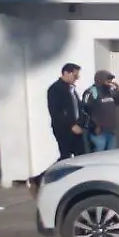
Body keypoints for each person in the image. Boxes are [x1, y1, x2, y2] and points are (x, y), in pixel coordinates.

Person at [29, 63, 87, 197]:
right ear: (66, 73)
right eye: (75, 74)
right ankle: (39, 179)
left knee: (82, 156)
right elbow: (56, 112)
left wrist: (81, 124)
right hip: (63, 129)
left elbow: (77, 109)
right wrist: (71, 125)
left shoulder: (71, 89)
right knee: (65, 157)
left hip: (77, 128)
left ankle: (77, 183)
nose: (77, 77)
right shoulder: (55, 89)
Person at [82, 69, 119, 152]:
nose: (110, 81)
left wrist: (118, 90)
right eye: (108, 79)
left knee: (111, 155)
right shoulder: (92, 91)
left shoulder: (110, 91)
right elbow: (86, 110)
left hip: (111, 131)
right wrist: (95, 126)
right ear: (101, 79)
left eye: (111, 79)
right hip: (98, 132)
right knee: (98, 155)